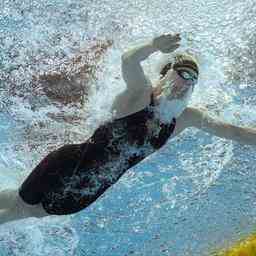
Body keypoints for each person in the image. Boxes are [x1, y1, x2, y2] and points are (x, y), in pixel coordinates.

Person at [0, 33, 256, 224]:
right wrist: (153, 46)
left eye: (193, 80)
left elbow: (235, 132)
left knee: (19, 204)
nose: (187, 83)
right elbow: (129, 60)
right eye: (182, 74)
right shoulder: (141, 95)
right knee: (24, 210)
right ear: (165, 75)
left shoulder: (185, 117)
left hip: (92, 189)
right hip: (67, 166)